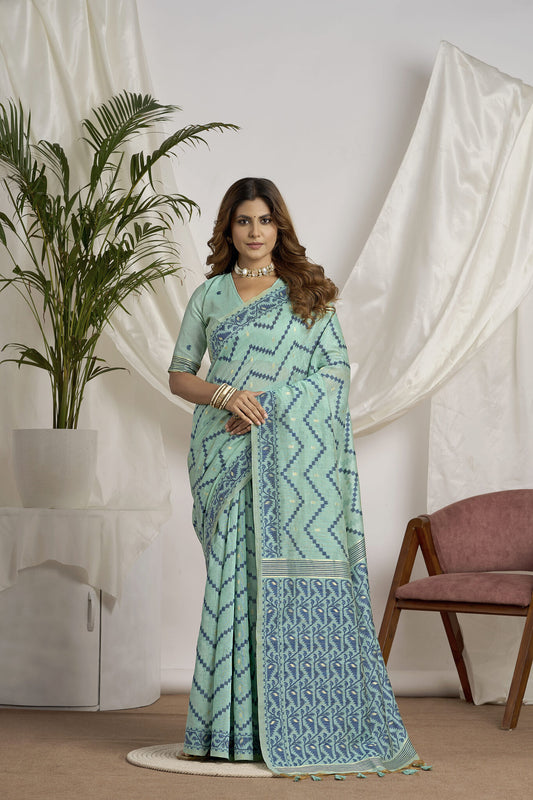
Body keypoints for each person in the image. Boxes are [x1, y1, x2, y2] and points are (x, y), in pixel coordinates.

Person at [169, 177, 421, 777]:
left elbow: (334, 376)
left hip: (290, 463)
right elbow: (180, 375)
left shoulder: (306, 292)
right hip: (225, 456)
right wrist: (226, 395)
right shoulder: (209, 296)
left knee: (269, 586)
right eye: (243, 221)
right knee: (233, 587)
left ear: (279, 226)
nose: (254, 232)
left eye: (264, 220)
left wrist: (270, 404)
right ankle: (228, 733)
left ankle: (296, 722)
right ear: (228, 229)